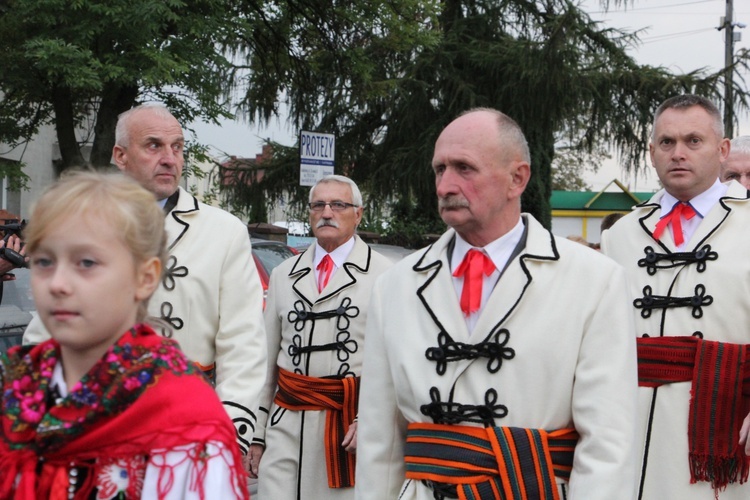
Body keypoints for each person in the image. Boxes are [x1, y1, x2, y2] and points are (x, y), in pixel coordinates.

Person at [356, 108, 638, 499]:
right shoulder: (394, 287)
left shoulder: (595, 281)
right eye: (439, 169)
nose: (444, 186)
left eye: (464, 168)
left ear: (517, 178)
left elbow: (608, 443)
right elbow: (378, 439)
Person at [23, 104, 267, 467]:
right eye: (154, 145)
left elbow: (243, 343)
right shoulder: (85, 224)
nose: (169, 158)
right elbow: (45, 334)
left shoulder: (224, 231)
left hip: (191, 428)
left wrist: (227, 433)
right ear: (120, 155)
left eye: (177, 147)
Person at [0, 171, 248, 499]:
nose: (58, 283)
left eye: (86, 262)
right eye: (45, 261)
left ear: (145, 278)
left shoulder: (186, 420)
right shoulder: (20, 386)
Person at [601, 94, 750, 499]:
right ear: (651, 152)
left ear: (722, 151)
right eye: (666, 143)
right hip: (628, 431)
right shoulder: (619, 236)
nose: (678, 153)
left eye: (693, 141)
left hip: (724, 431)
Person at [250, 175, 392, 499]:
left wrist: (369, 421)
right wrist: (256, 435)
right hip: (283, 427)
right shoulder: (283, 275)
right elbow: (263, 362)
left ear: (358, 214)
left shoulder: (386, 276)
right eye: (319, 205)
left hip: (345, 432)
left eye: (338, 204)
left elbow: (393, 365)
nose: (327, 212)